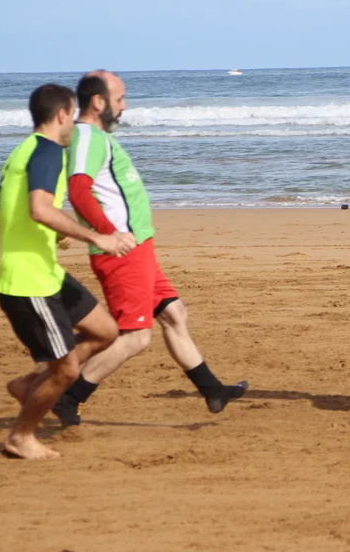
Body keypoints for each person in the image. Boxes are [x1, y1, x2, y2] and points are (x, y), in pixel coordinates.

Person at [52, 70, 247, 426]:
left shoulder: (96, 138)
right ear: (98, 101)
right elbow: (78, 190)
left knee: (174, 314)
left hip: (137, 248)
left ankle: (212, 390)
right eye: (120, 99)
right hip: (122, 252)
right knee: (136, 337)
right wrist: (108, 234)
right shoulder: (88, 137)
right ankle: (69, 398)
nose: (124, 107)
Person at [0, 83, 134, 459]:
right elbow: (40, 208)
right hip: (27, 283)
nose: (75, 125)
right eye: (73, 116)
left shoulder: (21, 152)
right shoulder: (49, 151)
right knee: (66, 371)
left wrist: (51, 233)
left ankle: (29, 385)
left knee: (105, 331)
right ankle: (20, 436)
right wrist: (96, 237)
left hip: (47, 272)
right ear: (62, 115)